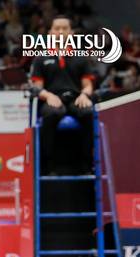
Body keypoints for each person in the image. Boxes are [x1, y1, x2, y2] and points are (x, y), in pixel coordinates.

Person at [29, 15, 95, 174]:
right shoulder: (41, 58)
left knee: (87, 113)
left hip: (75, 98)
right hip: (52, 100)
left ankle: (86, 164)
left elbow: (88, 85)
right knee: (51, 114)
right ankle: (48, 165)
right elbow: (37, 88)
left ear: (71, 33)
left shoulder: (81, 58)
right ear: (51, 33)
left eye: (64, 28)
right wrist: (48, 96)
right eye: (57, 28)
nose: (60, 32)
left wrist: (85, 95)